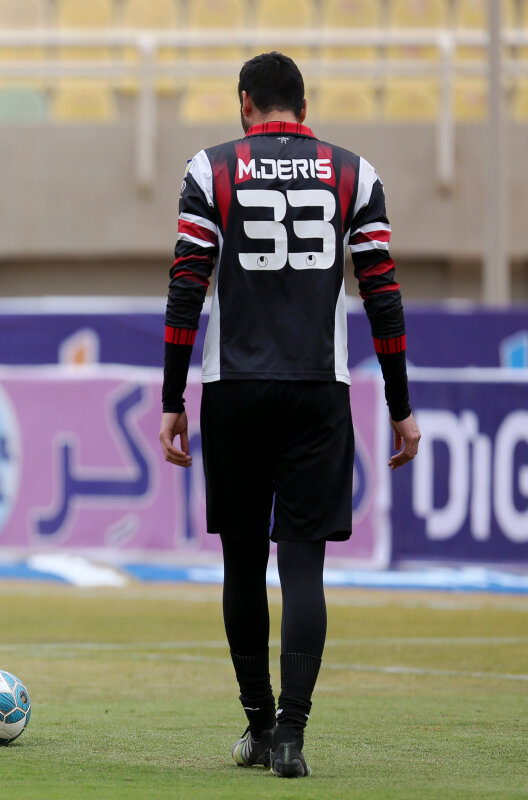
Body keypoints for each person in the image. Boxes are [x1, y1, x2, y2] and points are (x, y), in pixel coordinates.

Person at [158, 53, 421, 778]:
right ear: (304, 106)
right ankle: (292, 739)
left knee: (243, 561)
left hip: (235, 387)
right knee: (304, 566)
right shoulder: (354, 173)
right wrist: (401, 405)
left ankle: (257, 723)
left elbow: (186, 287)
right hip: (317, 388)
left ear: (245, 102)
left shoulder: (211, 168)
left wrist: (172, 398)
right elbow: (383, 294)